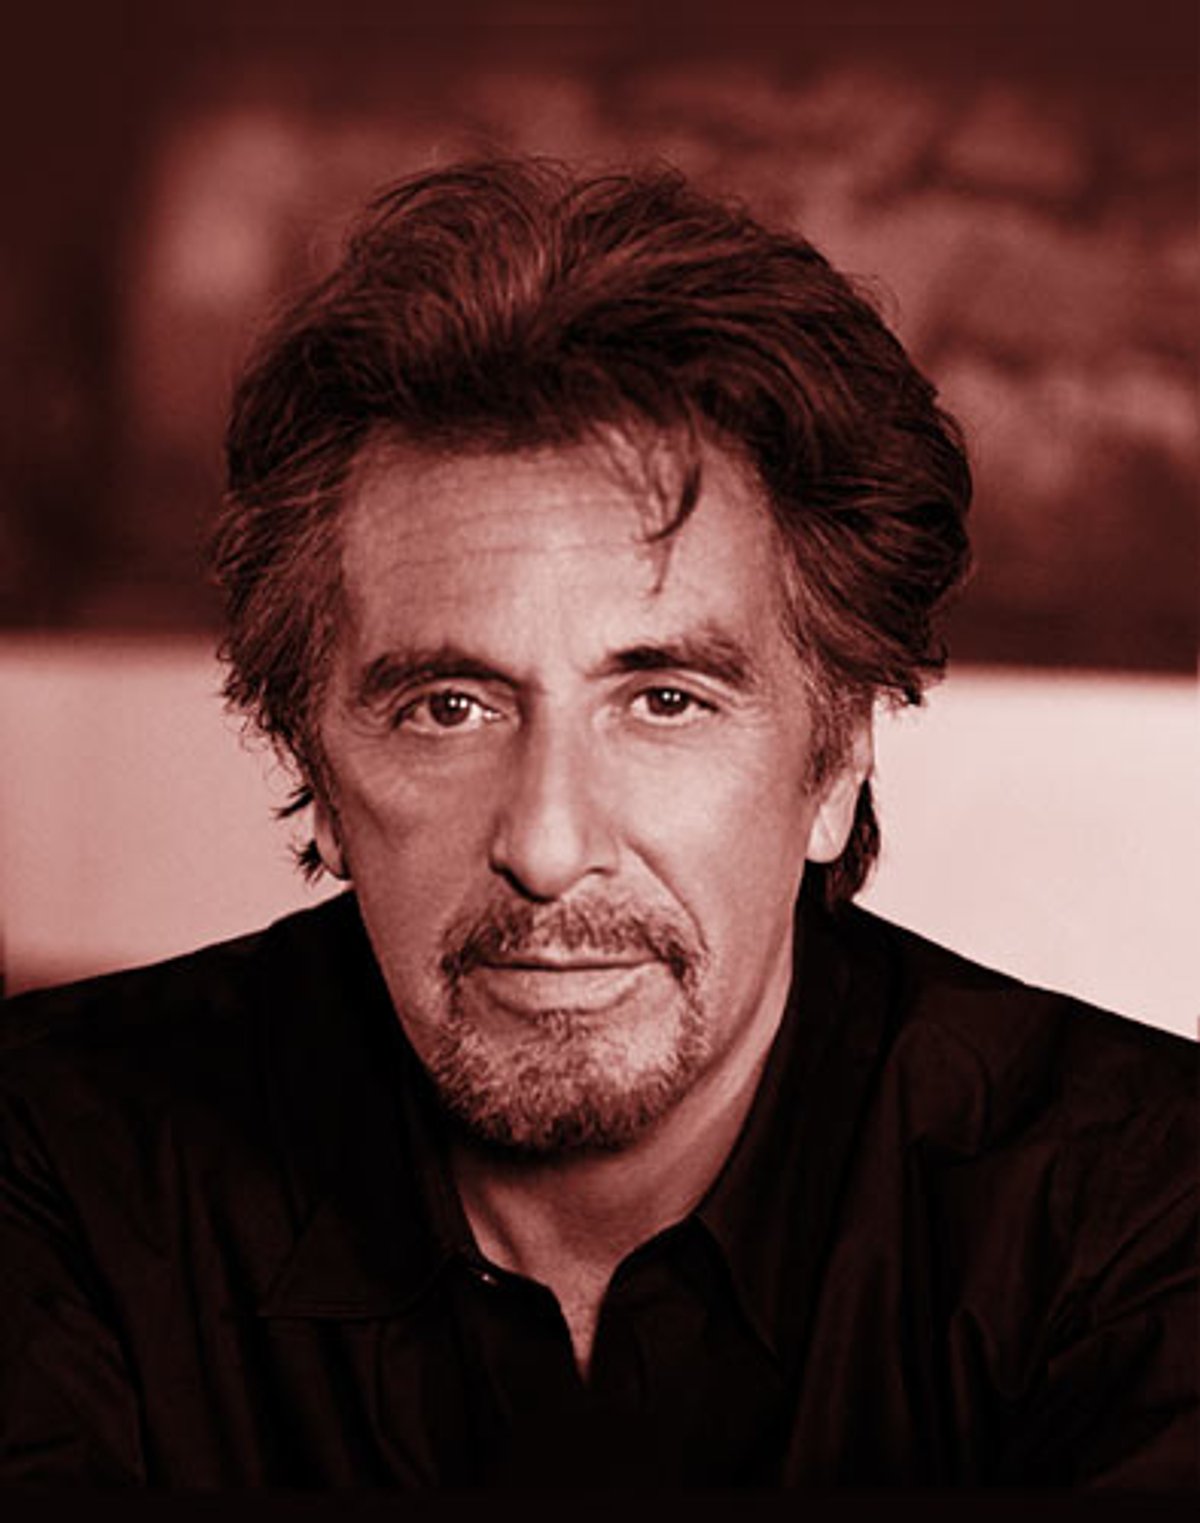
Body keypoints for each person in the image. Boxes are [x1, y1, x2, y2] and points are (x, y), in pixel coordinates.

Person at [0, 157, 1194, 1492]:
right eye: (450, 707)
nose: (549, 844)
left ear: (837, 762)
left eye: (665, 700)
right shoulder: (50, 1167)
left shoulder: (1142, 1210)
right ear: (318, 775)